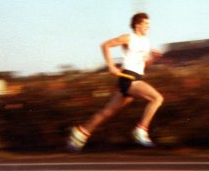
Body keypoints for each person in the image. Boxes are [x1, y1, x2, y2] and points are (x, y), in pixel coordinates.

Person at [67, 12, 164, 151]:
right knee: (157, 98)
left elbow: (143, 66)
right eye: (146, 24)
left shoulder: (146, 42)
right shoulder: (128, 38)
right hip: (128, 78)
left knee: (106, 112)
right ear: (137, 25)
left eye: (149, 24)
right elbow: (105, 45)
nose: (148, 27)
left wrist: (153, 59)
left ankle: (80, 134)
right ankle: (141, 130)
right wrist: (111, 66)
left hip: (135, 78)